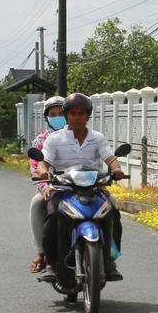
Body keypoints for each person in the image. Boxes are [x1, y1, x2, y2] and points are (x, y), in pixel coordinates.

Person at [39, 92, 126, 283]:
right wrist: (44, 171)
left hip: (92, 188)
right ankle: (50, 264)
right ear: (66, 115)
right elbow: (43, 162)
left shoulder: (97, 138)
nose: (77, 118)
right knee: (52, 215)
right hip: (63, 189)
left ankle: (110, 261)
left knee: (113, 213)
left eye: (81, 114)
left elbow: (109, 158)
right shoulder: (55, 139)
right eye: (73, 114)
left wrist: (116, 169)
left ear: (88, 116)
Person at [27, 95, 67, 273]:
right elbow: (36, 168)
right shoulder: (41, 141)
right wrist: (46, 187)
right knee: (36, 204)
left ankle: (110, 255)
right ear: (47, 117)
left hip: (81, 186)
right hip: (52, 187)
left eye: (61, 113)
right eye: (53, 114)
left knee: (110, 203)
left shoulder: (82, 136)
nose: (58, 117)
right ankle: (41, 253)